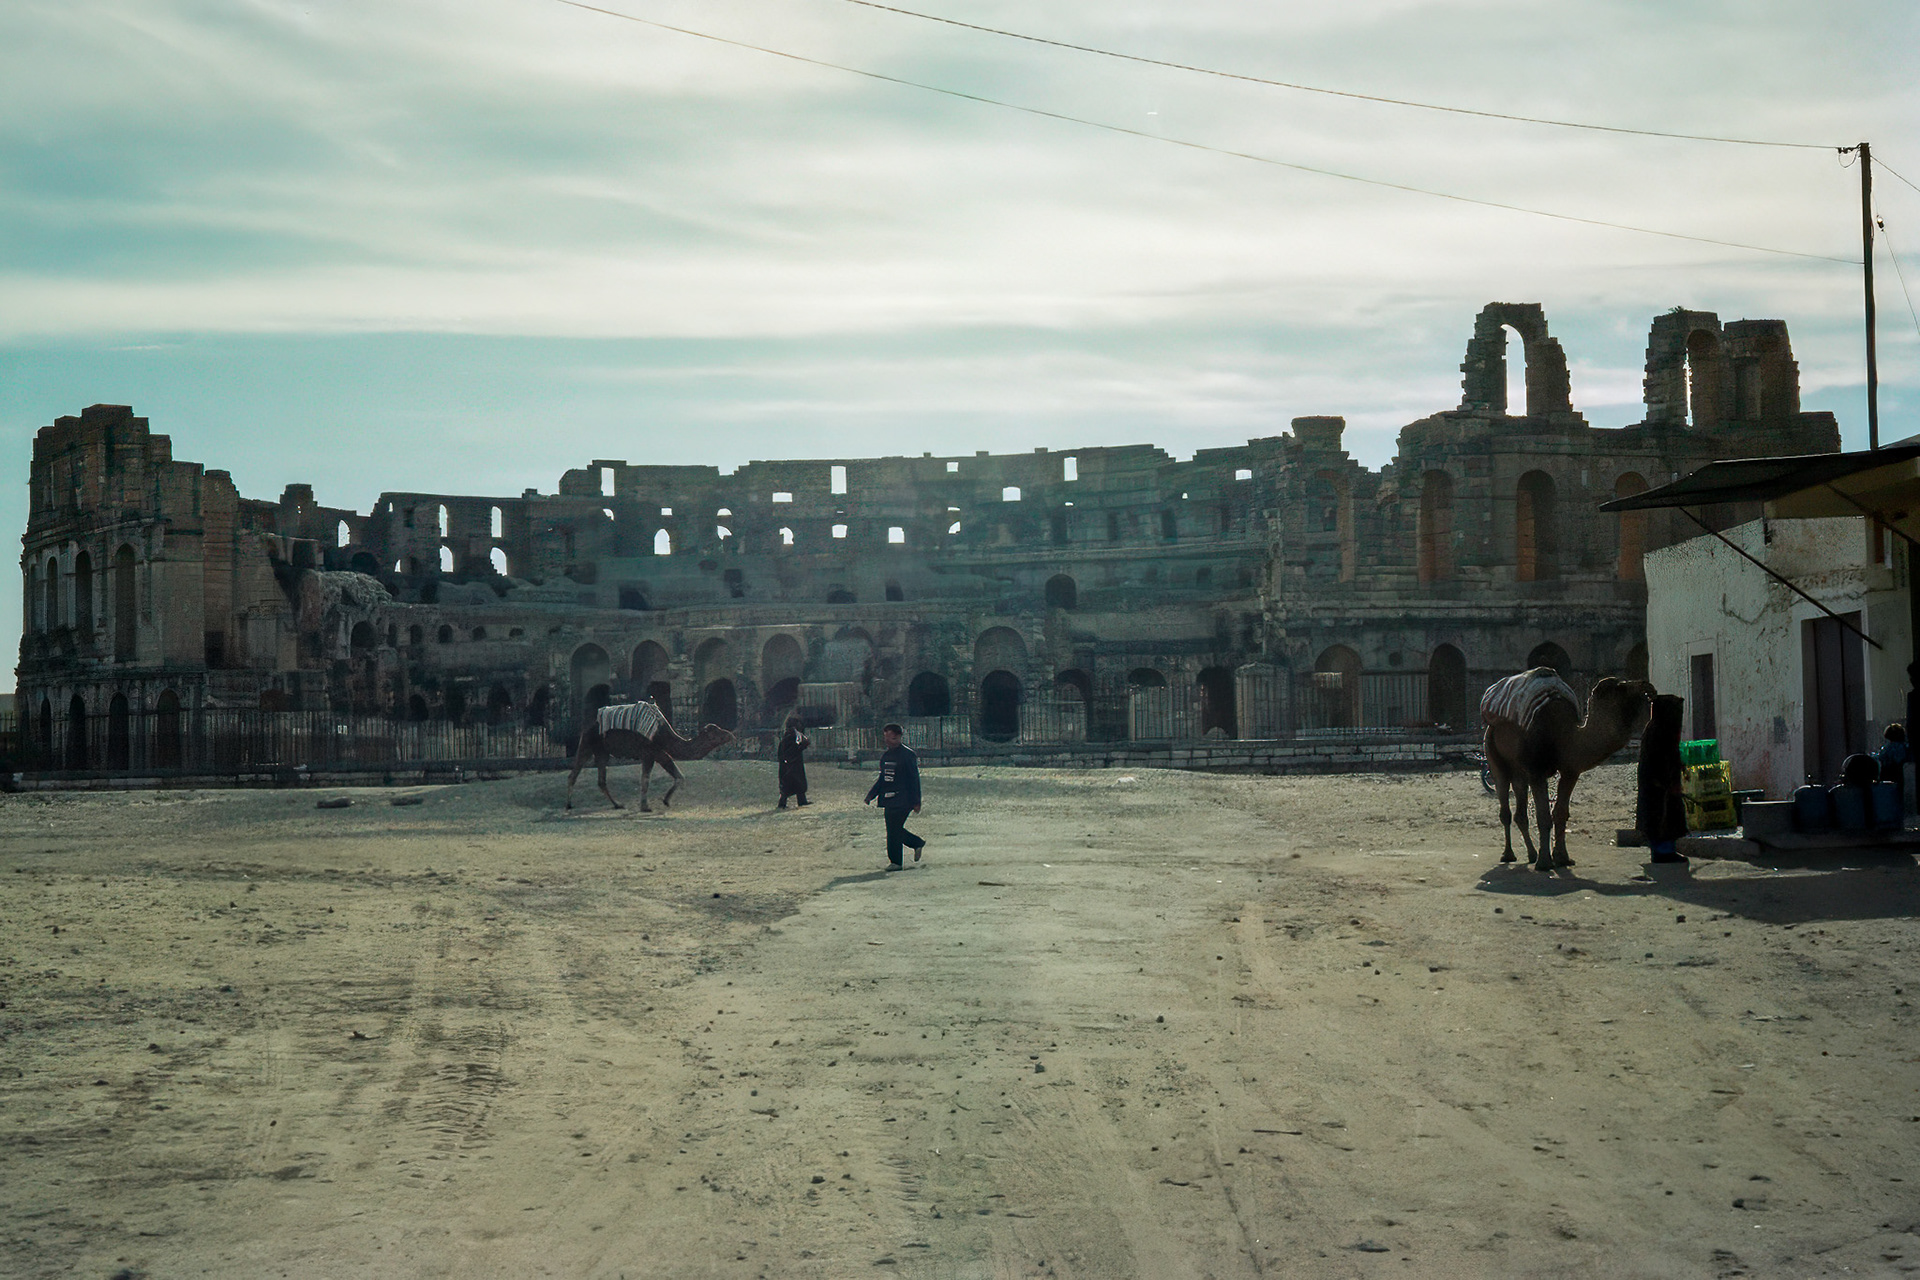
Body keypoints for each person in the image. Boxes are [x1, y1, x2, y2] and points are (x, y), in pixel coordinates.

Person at [864, 723, 925, 870]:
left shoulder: (908, 755)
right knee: (893, 829)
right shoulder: (886, 756)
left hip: (904, 799)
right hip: (888, 798)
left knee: (894, 830)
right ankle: (916, 843)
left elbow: (914, 779)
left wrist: (916, 801)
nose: (887, 740)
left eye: (890, 737)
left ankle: (896, 862)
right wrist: (871, 795)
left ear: (898, 737)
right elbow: (883, 779)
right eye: (885, 737)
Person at [1636, 693, 1687, 863]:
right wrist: (1665, 782)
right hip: (1658, 786)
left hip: (1662, 784)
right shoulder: (1659, 730)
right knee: (1660, 817)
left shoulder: (1659, 728)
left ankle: (1665, 851)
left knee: (1665, 818)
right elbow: (1656, 761)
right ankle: (1662, 853)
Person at [776, 716, 810, 809]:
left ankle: (800, 801)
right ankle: (785, 803)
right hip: (792, 764)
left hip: (790, 763)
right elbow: (795, 747)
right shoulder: (792, 735)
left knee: (791, 784)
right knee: (793, 783)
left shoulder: (788, 735)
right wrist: (803, 745)